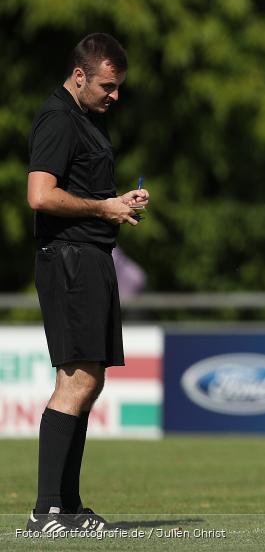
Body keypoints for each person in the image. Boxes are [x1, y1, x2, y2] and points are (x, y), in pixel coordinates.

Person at [26, 33, 147, 534]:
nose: (114, 95)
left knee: (90, 381)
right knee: (74, 382)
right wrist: (103, 207)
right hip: (70, 260)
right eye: (107, 86)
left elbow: (81, 189)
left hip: (92, 257)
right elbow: (39, 195)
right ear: (80, 76)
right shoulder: (57, 117)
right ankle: (46, 510)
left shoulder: (88, 120)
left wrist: (116, 203)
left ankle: (70, 507)